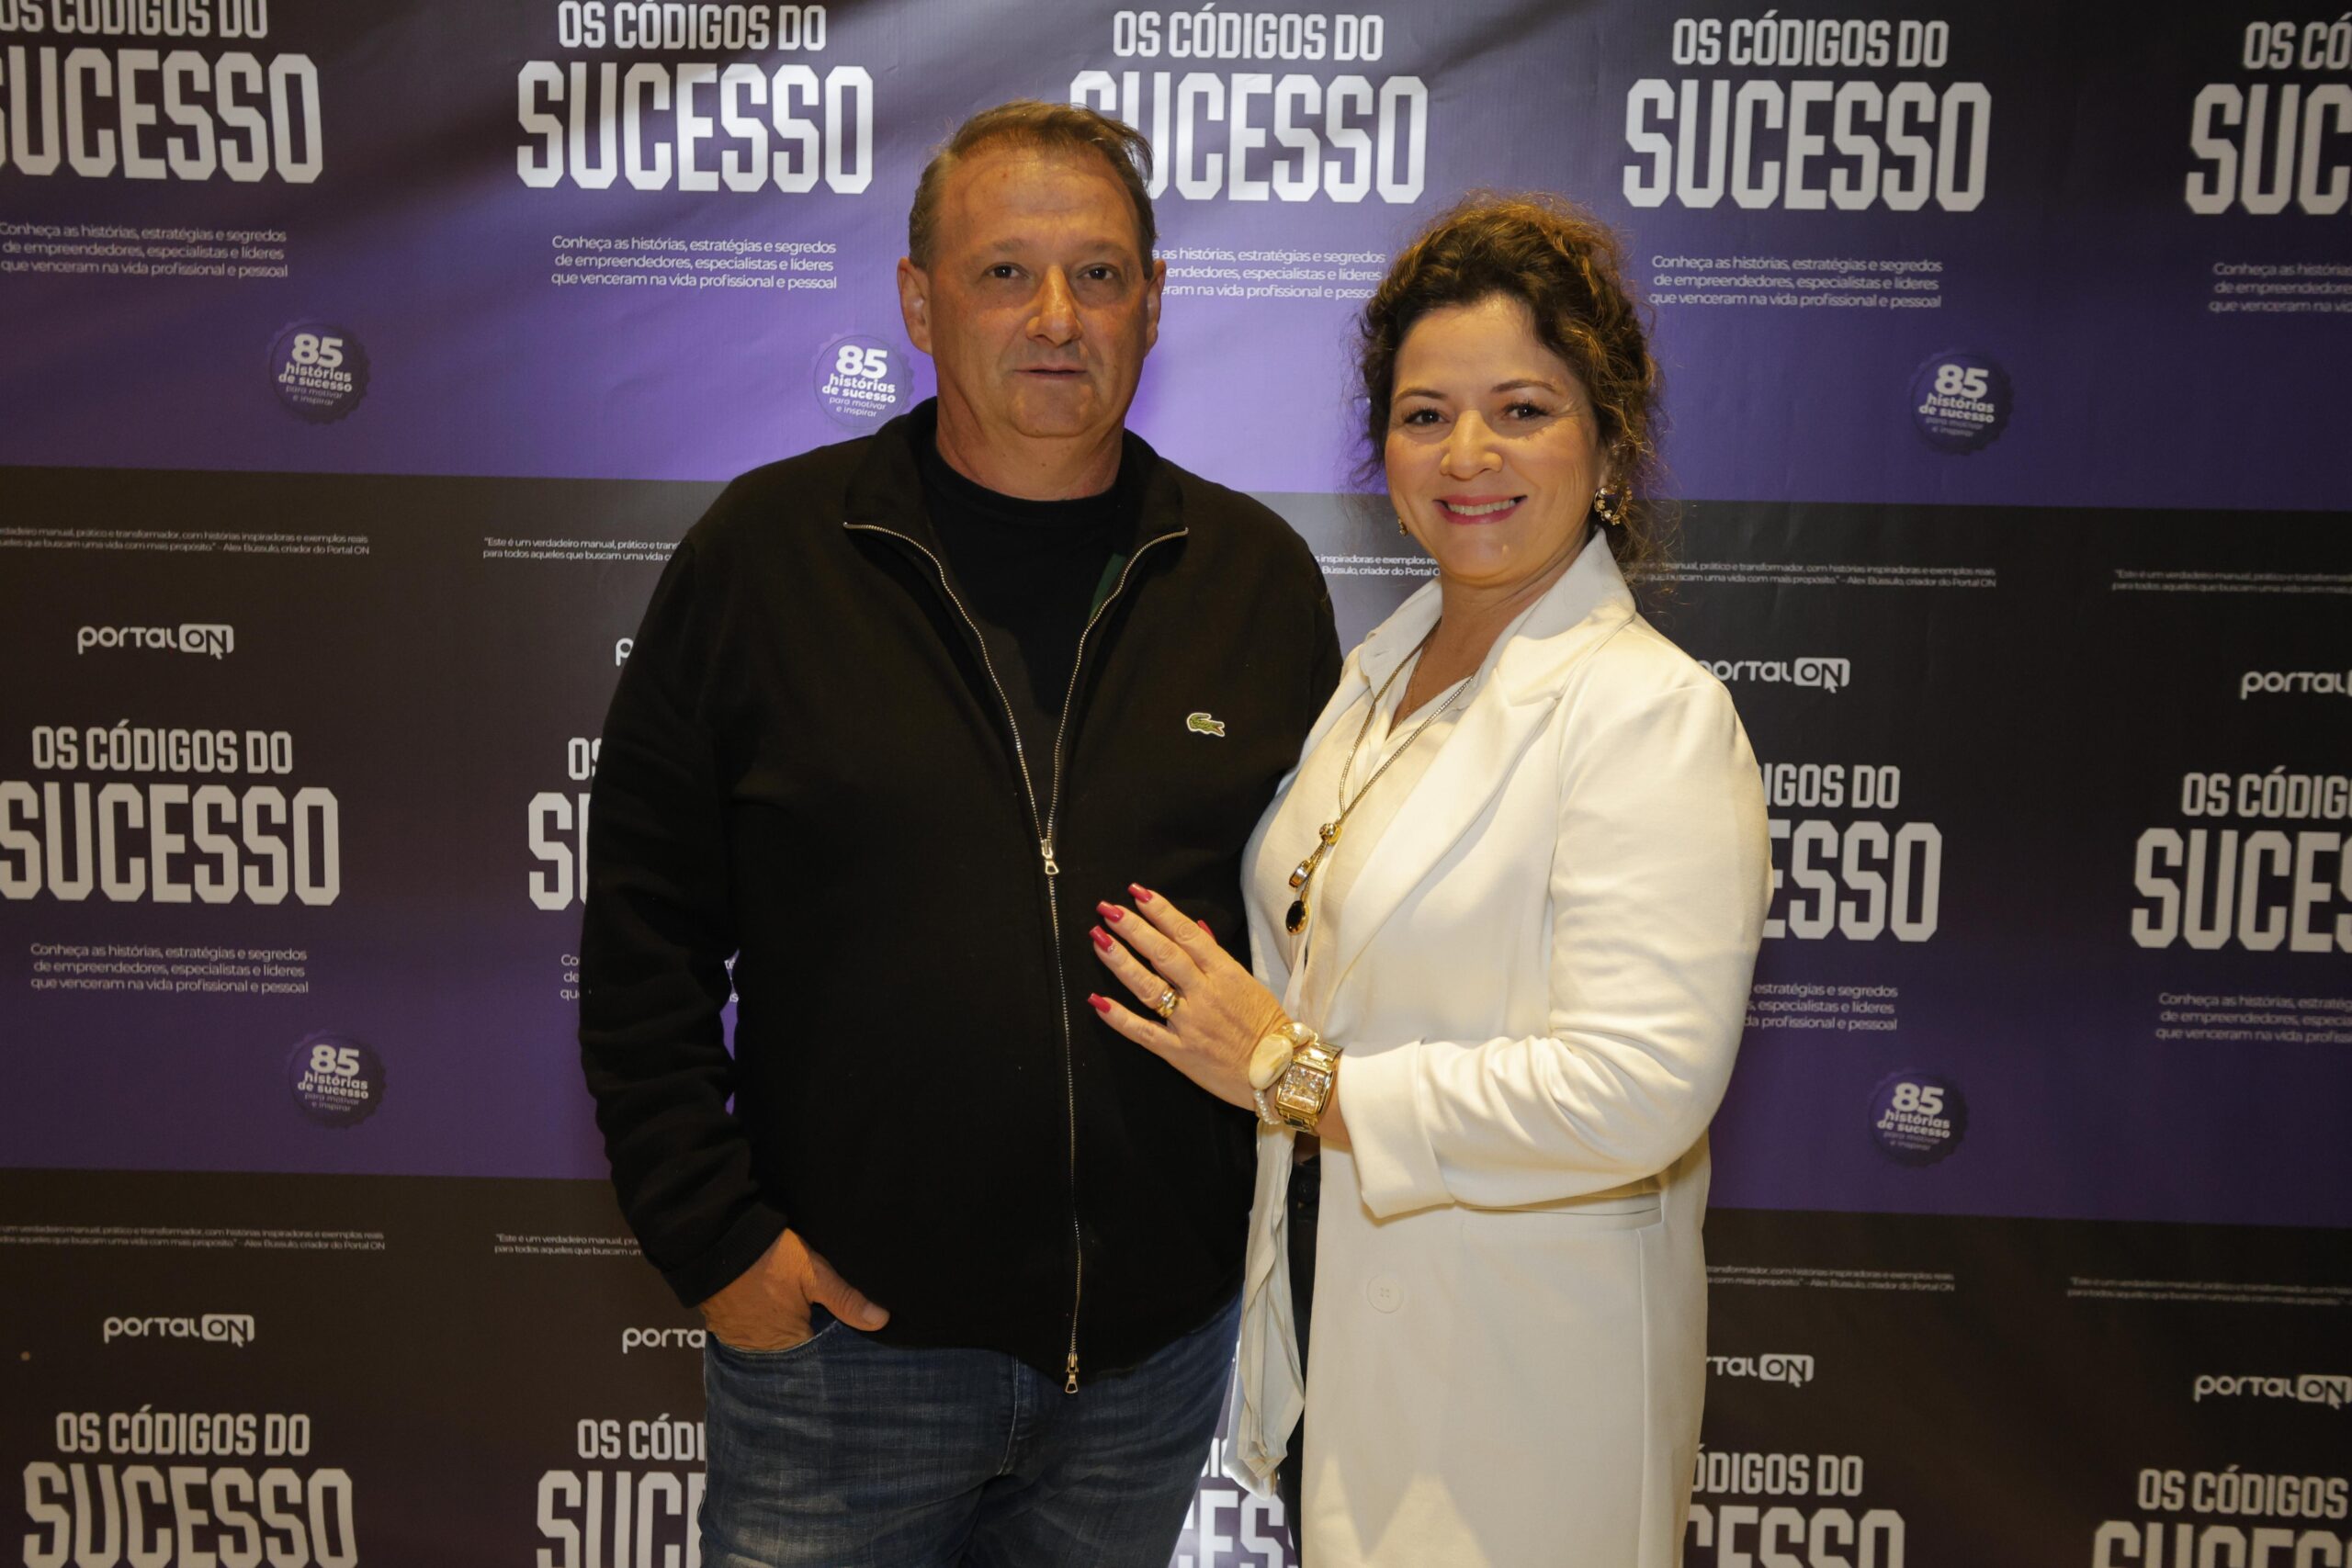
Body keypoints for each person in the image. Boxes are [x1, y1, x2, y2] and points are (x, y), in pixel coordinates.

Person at [579, 100, 1340, 1567]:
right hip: (845, 1366)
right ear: (919, 304)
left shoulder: (1251, 578)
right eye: (1004, 274)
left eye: (1099, 275)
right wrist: (721, 1246)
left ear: (1153, 302)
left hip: (1148, 1374)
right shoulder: (766, 560)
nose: (1057, 317)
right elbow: (640, 943)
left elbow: (1323, 933)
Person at [1087, 193, 1770, 1566]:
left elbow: (1639, 1088)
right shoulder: (1381, 671)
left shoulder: (1651, 714)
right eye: (1425, 414)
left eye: (1523, 409)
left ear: (1608, 440)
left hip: (1523, 1400)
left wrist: (1295, 1077)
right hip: (1342, 1343)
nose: (1469, 454)